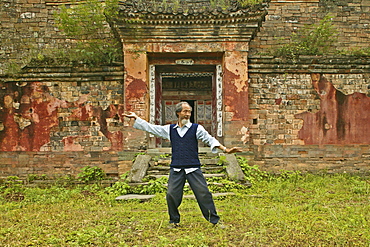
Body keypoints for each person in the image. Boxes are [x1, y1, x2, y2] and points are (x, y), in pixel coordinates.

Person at [124, 102, 242, 229]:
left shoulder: (197, 128)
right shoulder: (169, 130)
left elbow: (210, 139)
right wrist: (137, 118)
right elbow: (152, 128)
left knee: (204, 194)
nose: (187, 114)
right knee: (171, 195)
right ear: (178, 113)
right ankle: (174, 221)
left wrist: (225, 150)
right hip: (176, 168)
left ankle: (215, 220)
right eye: (185, 111)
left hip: (193, 167)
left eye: (189, 112)